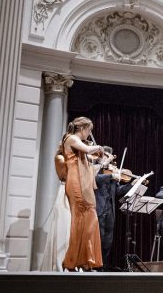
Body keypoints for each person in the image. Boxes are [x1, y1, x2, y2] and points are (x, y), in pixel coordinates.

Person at [57, 116, 104, 271]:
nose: (89, 134)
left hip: (84, 184)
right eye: (89, 130)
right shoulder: (70, 139)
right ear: (83, 128)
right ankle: (71, 261)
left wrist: (101, 158)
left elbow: (88, 156)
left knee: (90, 221)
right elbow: (89, 149)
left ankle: (85, 260)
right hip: (76, 182)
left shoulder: (79, 145)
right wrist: (99, 148)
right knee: (79, 222)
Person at [94, 146, 132, 271]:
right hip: (97, 208)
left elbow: (118, 191)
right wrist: (111, 176)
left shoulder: (112, 172)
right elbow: (94, 179)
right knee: (98, 238)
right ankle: (94, 265)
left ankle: (103, 265)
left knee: (108, 240)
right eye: (105, 156)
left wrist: (132, 185)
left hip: (110, 210)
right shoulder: (95, 168)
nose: (107, 160)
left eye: (109, 157)